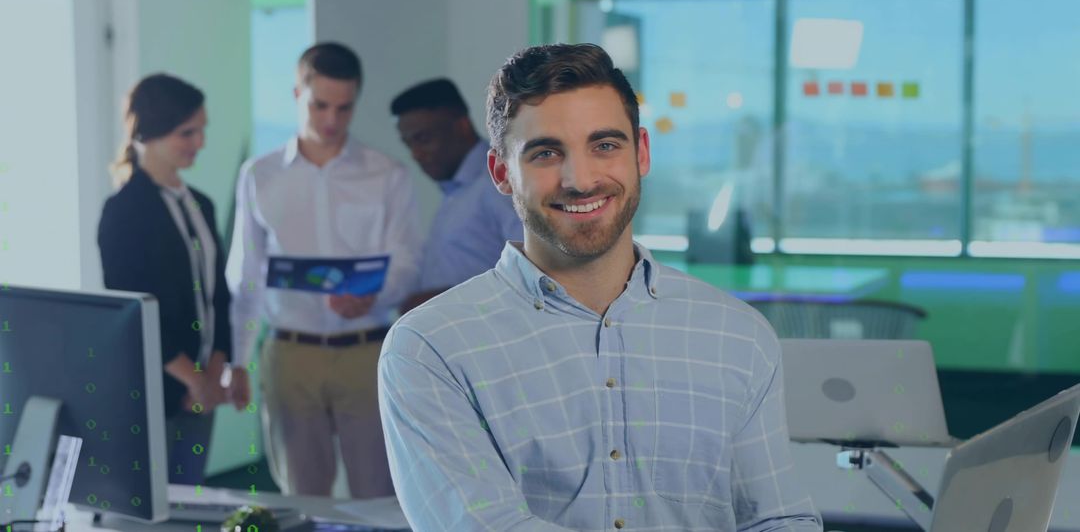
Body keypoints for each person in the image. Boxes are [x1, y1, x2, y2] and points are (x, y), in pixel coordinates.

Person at [379, 44, 822, 530]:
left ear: (642, 153)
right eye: (546, 152)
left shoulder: (737, 336)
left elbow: (780, 519)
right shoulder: (430, 348)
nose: (581, 179)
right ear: (502, 173)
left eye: (605, 145)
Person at [226, 42, 421, 498]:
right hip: (290, 353)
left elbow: (409, 260)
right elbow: (246, 276)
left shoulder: (388, 174)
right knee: (302, 498)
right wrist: (237, 361)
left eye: (344, 108)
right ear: (297, 94)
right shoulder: (259, 175)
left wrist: (375, 295)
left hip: (367, 352)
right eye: (320, 105)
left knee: (379, 496)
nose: (331, 120)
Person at [98, 73, 245, 485]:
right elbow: (134, 309)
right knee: (156, 506)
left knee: (190, 498)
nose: (200, 142)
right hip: (155, 390)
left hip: (203, 389)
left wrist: (216, 371)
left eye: (202, 131)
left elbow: (218, 294)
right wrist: (193, 379)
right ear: (150, 133)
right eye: (188, 132)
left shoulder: (202, 204)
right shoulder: (123, 211)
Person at [390, 78, 521, 313]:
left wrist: (439, 301)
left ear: (461, 126)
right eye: (408, 144)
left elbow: (532, 272)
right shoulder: (455, 191)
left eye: (423, 139)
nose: (416, 154)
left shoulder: (498, 183)